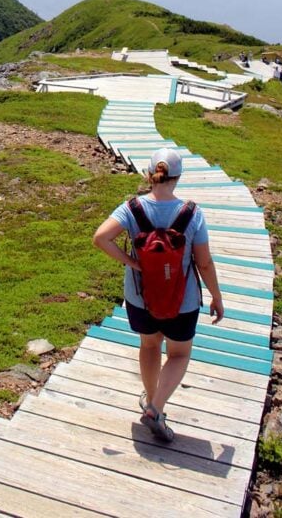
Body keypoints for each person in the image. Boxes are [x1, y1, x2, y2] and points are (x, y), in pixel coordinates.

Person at [92, 146, 224, 443]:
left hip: (140, 298)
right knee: (179, 354)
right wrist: (216, 296)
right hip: (183, 301)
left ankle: (152, 399)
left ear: (149, 175)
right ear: (177, 177)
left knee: (149, 346)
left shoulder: (131, 208)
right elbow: (203, 262)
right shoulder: (192, 213)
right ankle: (156, 406)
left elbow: (100, 238)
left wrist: (132, 262)